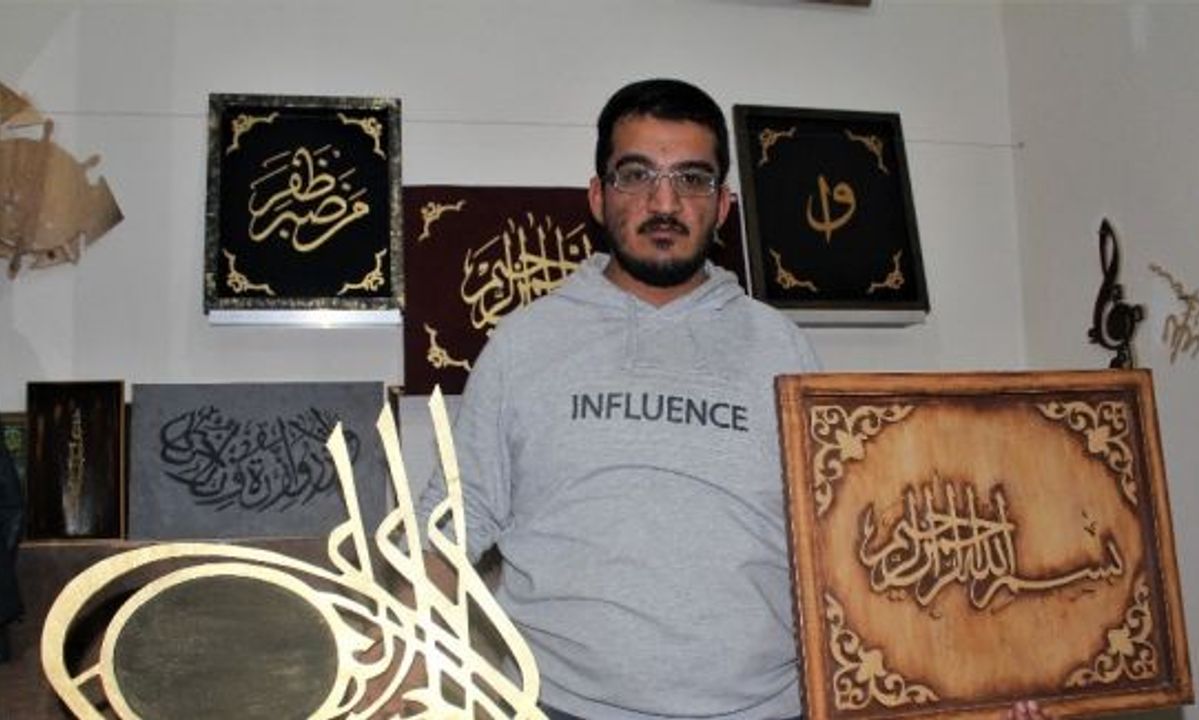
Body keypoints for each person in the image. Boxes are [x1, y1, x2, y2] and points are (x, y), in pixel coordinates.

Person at [429, 78, 1051, 720]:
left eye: (692, 178)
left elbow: (852, 549)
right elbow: (444, 530)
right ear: (597, 195)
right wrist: (399, 665)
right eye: (636, 175)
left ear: (723, 205)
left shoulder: (782, 348)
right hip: (558, 708)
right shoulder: (524, 344)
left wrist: (981, 665)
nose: (664, 202)